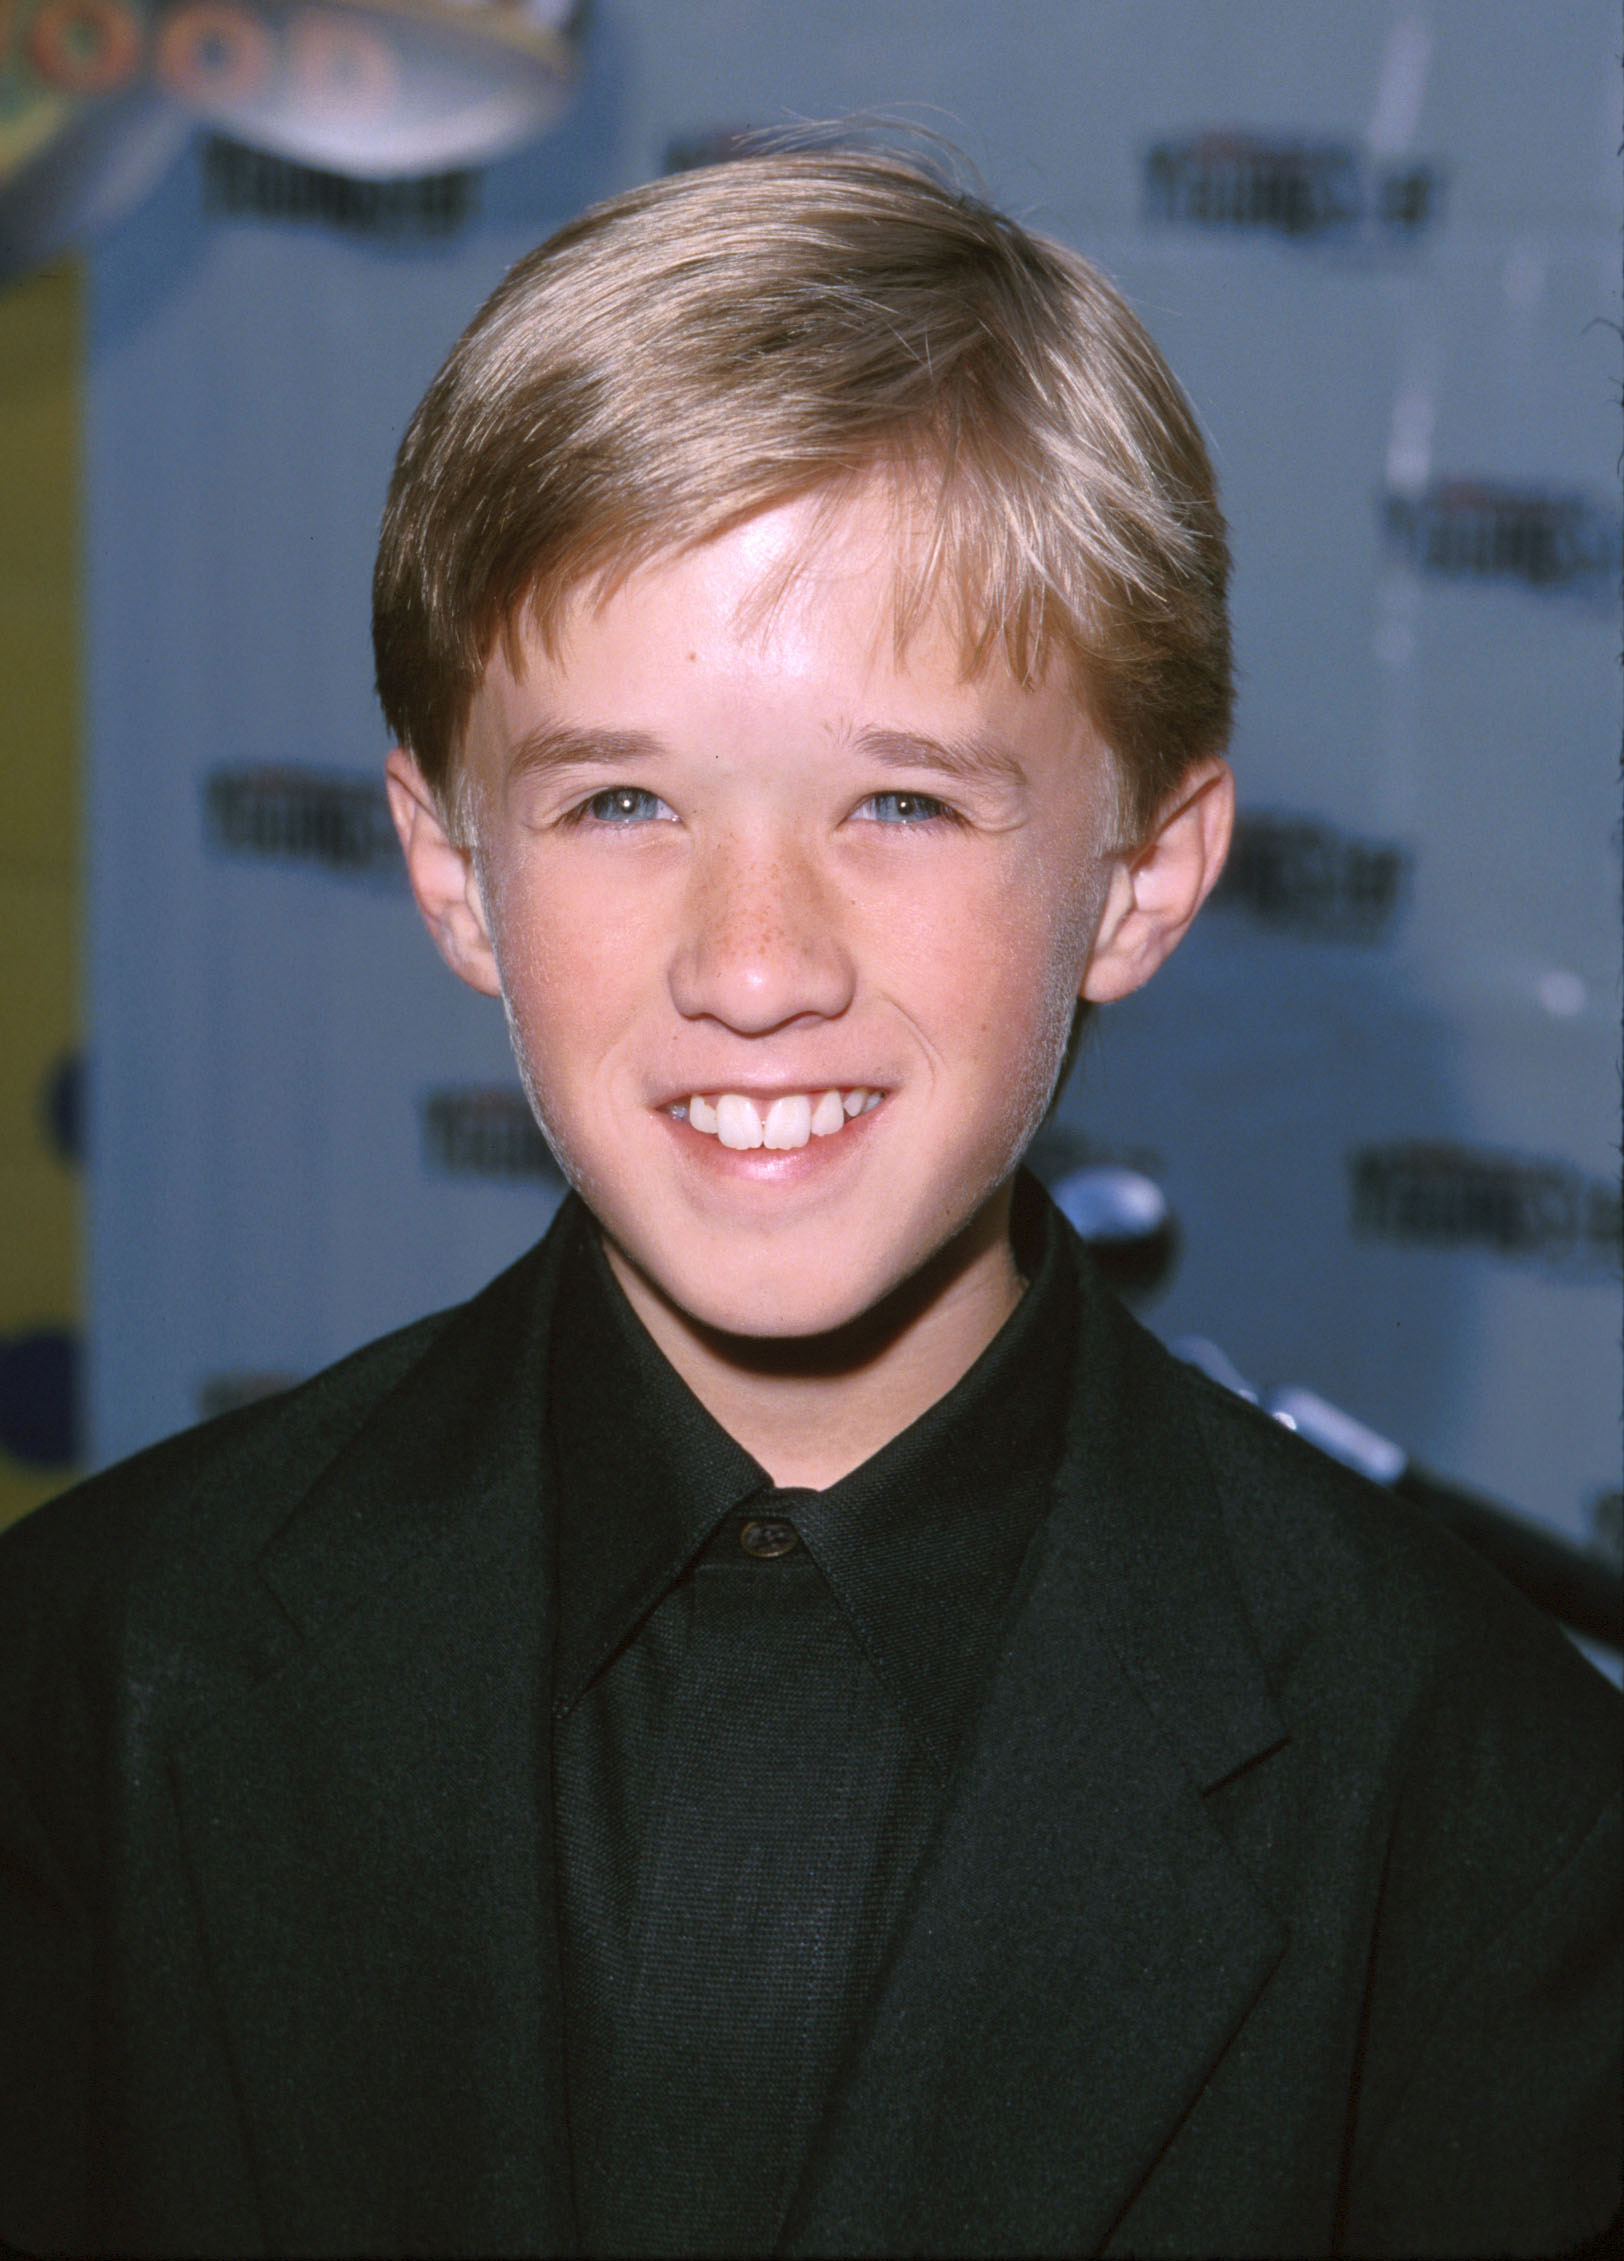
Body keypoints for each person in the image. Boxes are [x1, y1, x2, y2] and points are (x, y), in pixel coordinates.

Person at [1, 151, 1617, 2261]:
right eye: (619, 800)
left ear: (1140, 870)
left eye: (897, 799)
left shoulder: (1481, 1809)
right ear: (447, 867)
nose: (751, 963)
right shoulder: (95, 1673)